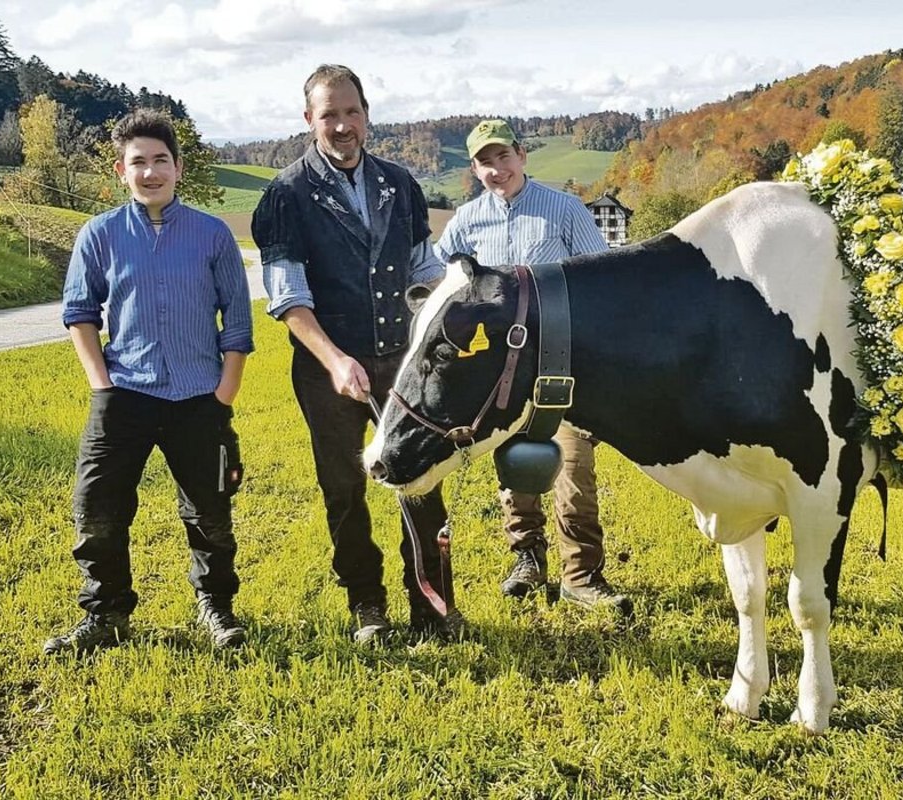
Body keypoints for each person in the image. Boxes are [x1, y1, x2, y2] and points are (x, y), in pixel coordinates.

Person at [251, 64, 459, 643]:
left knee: (421, 481)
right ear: (309, 120)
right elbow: (290, 299)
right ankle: (367, 604)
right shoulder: (286, 194)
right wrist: (335, 359)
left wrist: (441, 323)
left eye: (351, 112)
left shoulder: (400, 182)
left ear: (366, 113)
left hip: (404, 363)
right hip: (327, 369)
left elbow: (424, 271)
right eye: (329, 115)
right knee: (344, 488)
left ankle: (434, 605)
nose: (342, 126)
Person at [45, 109, 253, 655]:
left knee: (210, 513)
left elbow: (237, 320)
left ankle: (217, 606)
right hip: (124, 396)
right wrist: (102, 386)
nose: (150, 171)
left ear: (178, 167)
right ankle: (107, 612)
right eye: (139, 161)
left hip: (198, 398)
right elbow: (79, 313)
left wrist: (222, 396)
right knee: (97, 507)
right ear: (121, 170)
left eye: (161, 160)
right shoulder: (100, 234)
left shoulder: (211, 236)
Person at [434, 119, 629, 614]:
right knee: (516, 466)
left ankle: (582, 574)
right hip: (501, 375)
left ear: (522, 155)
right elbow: (444, 290)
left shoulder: (563, 211)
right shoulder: (465, 223)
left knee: (572, 467)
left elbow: (602, 282)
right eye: (484, 161)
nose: (496, 170)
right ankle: (526, 558)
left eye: (503, 157)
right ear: (474, 168)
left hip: (562, 366)